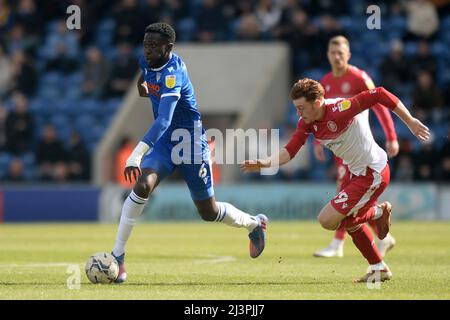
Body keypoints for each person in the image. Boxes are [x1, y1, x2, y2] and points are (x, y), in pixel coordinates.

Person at [111, 23, 268, 283]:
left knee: (208, 212)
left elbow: (163, 120)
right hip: (164, 145)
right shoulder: (148, 60)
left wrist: (136, 154)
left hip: (190, 144)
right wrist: (143, 86)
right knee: (142, 186)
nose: (147, 50)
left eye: (153, 46)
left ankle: (254, 224)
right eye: (145, 45)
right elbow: (145, 73)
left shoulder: (174, 73)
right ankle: (118, 257)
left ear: (169, 47)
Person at [241, 78, 429, 282]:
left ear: (318, 102)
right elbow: (290, 150)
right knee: (348, 222)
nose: (298, 113)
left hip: (372, 172)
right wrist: (265, 163)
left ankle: (378, 212)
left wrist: (410, 121)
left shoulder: (341, 109)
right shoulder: (307, 123)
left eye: (302, 107)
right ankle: (378, 267)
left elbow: (380, 93)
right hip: (355, 174)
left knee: (327, 220)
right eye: (296, 108)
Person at [313, 36, 399, 259]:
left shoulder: (359, 77)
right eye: (333, 52)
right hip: (339, 147)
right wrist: (316, 141)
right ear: (327, 55)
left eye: (341, 52)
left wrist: (391, 136)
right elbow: (318, 113)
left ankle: (337, 244)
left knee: (343, 193)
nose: (337, 56)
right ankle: (383, 237)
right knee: (351, 198)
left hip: (358, 146)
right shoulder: (325, 81)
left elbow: (379, 104)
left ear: (348, 55)